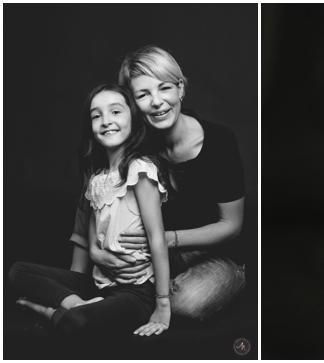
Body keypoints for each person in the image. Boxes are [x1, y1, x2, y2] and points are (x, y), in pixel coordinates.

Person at [69, 45, 247, 321]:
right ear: (132, 105)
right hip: (154, 253)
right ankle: (76, 281)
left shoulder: (220, 141)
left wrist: (166, 240)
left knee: (185, 303)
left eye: (164, 88)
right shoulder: (135, 143)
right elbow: (95, 192)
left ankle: (141, 295)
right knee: (100, 176)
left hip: (213, 256)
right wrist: (94, 248)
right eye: (143, 94)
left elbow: (231, 226)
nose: (157, 102)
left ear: (180, 89)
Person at [9, 84, 171, 336]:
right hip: (100, 283)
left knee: (75, 323)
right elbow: (93, 230)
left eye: (116, 112)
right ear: (91, 127)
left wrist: (163, 303)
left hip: (136, 290)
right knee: (18, 270)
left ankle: (49, 311)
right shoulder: (97, 179)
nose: (106, 121)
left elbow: (157, 238)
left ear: (134, 119)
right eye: (97, 116)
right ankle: (75, 304)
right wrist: (96, 253)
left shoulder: (140, 170)